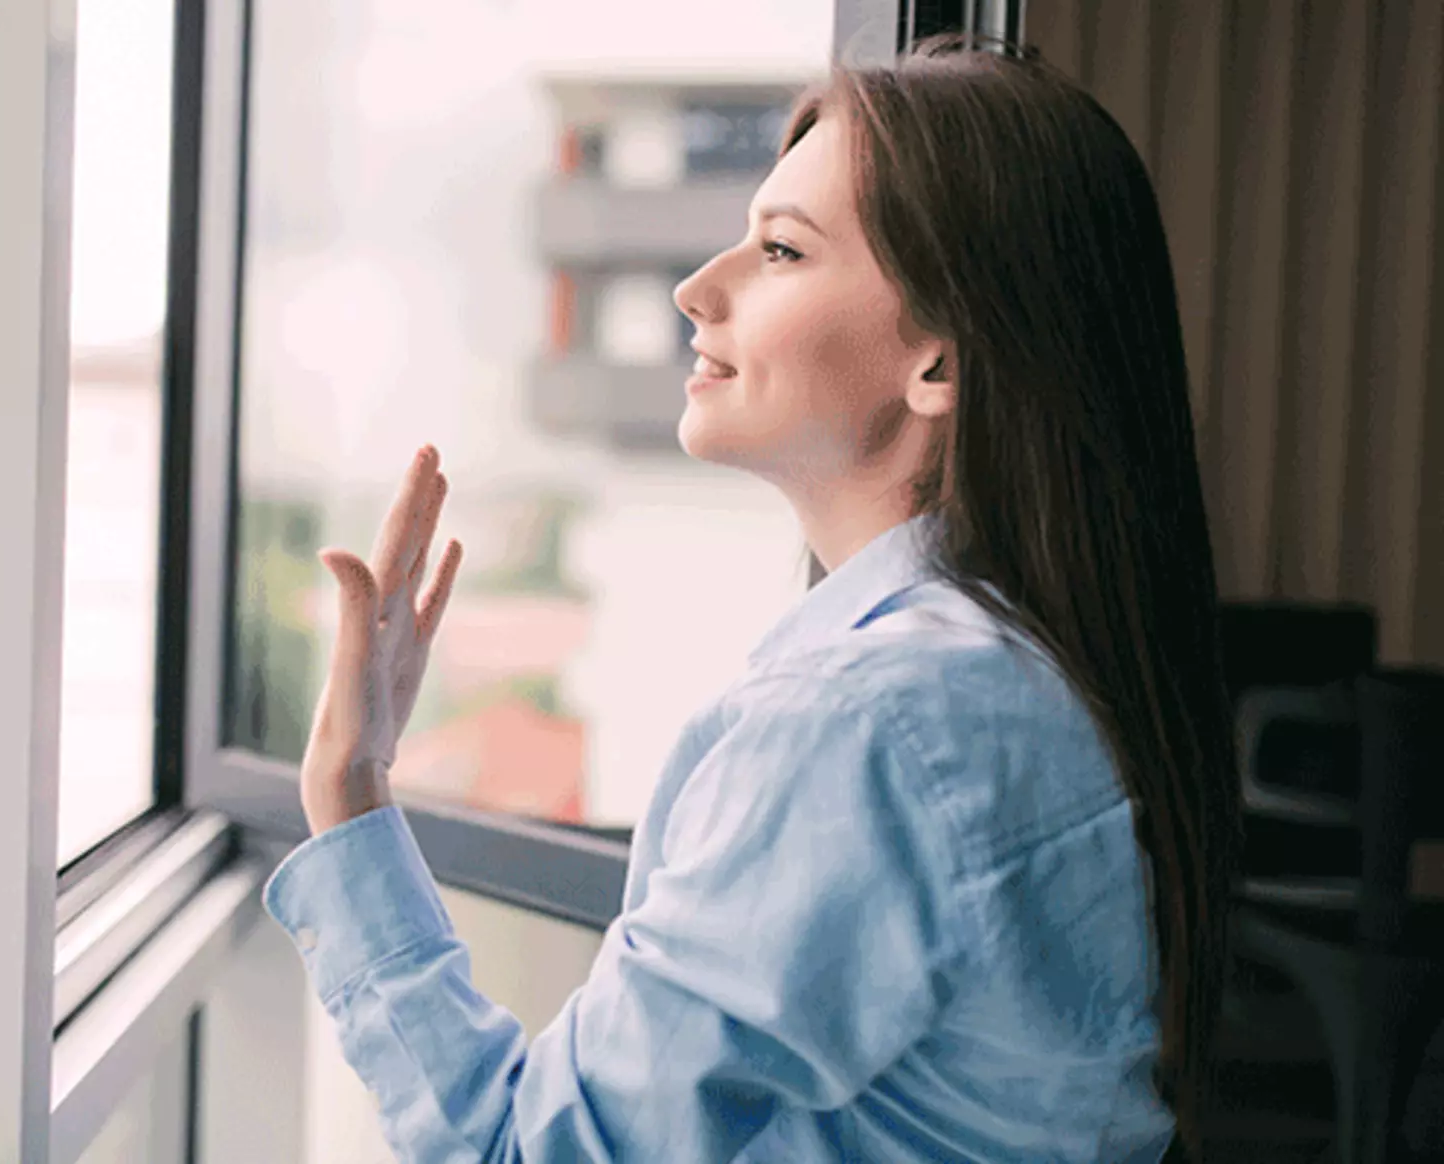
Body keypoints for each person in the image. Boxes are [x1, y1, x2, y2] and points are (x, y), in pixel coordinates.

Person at [261, 31, 1240, 1163]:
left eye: (779, 251)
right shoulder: (1013, 667)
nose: (694, 288)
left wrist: (350, 798)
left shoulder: (870, 723)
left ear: (940, 361)